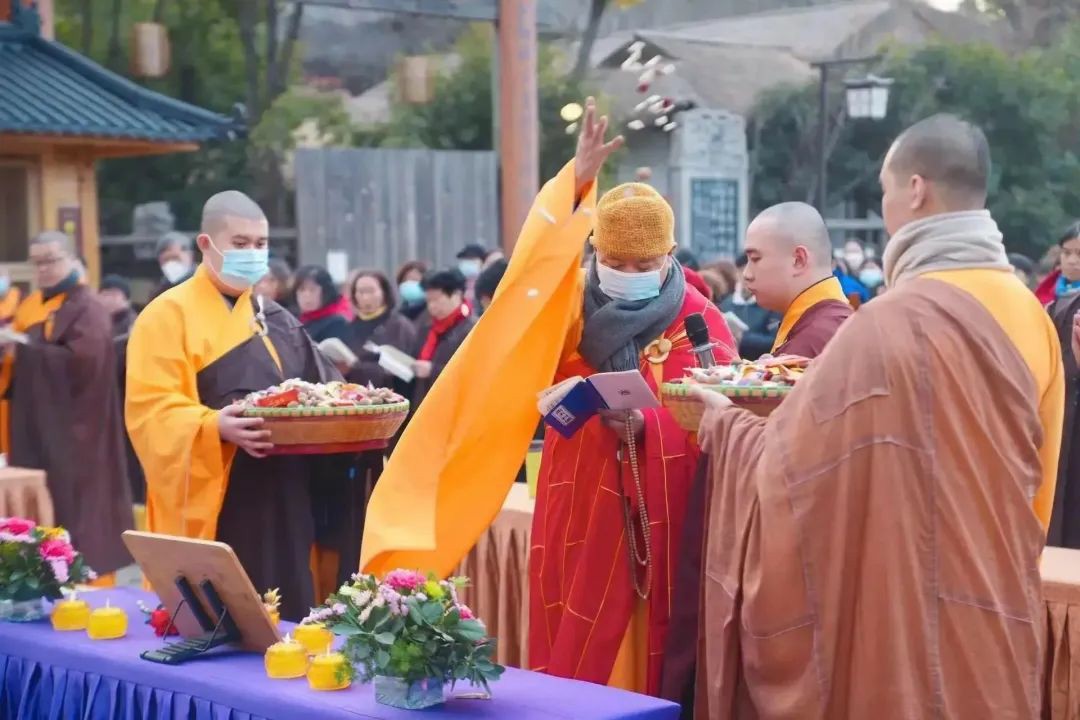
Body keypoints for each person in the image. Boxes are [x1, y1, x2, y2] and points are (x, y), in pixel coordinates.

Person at [689, 114, 1063, 719]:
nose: (884, 207)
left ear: (914, 190)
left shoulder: (887, 324)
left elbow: (792, 470)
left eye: (885, 191)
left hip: (899, 621)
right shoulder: (1033, 315)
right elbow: (1035, 498)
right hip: (997, 612)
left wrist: (726, 425)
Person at [360, 98, 737, 696]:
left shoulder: (697, 318)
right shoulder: (570, 303)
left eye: (643, 262)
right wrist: (576, 184)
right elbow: (525, 284)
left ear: (669, 256)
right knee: (574, 640)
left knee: (642, 652)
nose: (628, 271)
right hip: (577, 492)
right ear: (594, 253)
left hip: (656, 513)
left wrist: (646, 424)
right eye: (615, 260)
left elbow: (719, 419)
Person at [126, 190, 342, 621]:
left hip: (286, 488)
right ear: (206, 244)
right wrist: (213, 426)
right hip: (222, 493)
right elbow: (151, 411)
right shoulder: (166, 315)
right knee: (227, 618)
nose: (253, 253)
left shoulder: (272, 316)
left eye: (260, 244)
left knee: (290, 610)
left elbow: (325, 388)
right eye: (240, 244)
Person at [3, 231, 133, 580]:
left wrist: (26, 351)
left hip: (80, 434)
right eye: (37, 262)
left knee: (80, 514)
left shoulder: (88, 307)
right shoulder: (37, 305)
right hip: (44, 430)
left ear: (72, 259)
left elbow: (84, 363)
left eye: (51, 260)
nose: (43, 269)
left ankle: (86, 582)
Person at [742, 202, 853, 358]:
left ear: (798, 260)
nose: (746, 274)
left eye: (755, 259)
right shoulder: (820, 323)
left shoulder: (818, 336)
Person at [1047, 222, 1080, 548]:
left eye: (1079, 254)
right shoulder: (1057, 305)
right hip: (1065, 421)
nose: (1072, 261)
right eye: (1067, 253)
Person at [99, 274, 145, 504]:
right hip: (107, 403)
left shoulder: (132, 325)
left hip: (127, 401)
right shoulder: (99, 322)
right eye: (103, 293)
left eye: (112, 294)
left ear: (124, 297)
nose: (107, 299)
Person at [343, 270, 418, 390]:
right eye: (361, 292)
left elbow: (404, 369)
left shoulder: (399, 326)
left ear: (384, 293)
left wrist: (357, 367)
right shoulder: (350, 327)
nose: (366, 297)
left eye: (371, 291)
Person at [412, 269, 475, 407]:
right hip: (425, 403)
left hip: (453, 405)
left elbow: (473, 373)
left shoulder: (472, 329)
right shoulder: (426, 324)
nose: (432, 306)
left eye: (437, 300)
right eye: (428, 301)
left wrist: (433, 370)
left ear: (457, 295)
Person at [718, 256, 780, 360]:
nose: (747, 277)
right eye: (742, 272)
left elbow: (776, 342)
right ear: (737, 274)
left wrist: (743, 338)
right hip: (730, 363)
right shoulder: (725, 304)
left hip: (760, 364)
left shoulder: (772, 303)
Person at [295, 265, 351, 343]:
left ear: (325, 292)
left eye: (312, 290)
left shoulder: (336, 323)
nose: (307, 295)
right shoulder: (294, 320)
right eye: (302, 290)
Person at [149, 231, 195, 302]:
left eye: (175, 258)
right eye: (166, 260)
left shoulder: (204, 283)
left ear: (190, 255)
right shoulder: (158, 293)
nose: (171, 264)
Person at [98, 274, 138, 339]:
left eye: (114, 295)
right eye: (105, 295)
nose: (109, 299)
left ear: (126, 300)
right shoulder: (96, 319)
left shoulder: (133, 322)